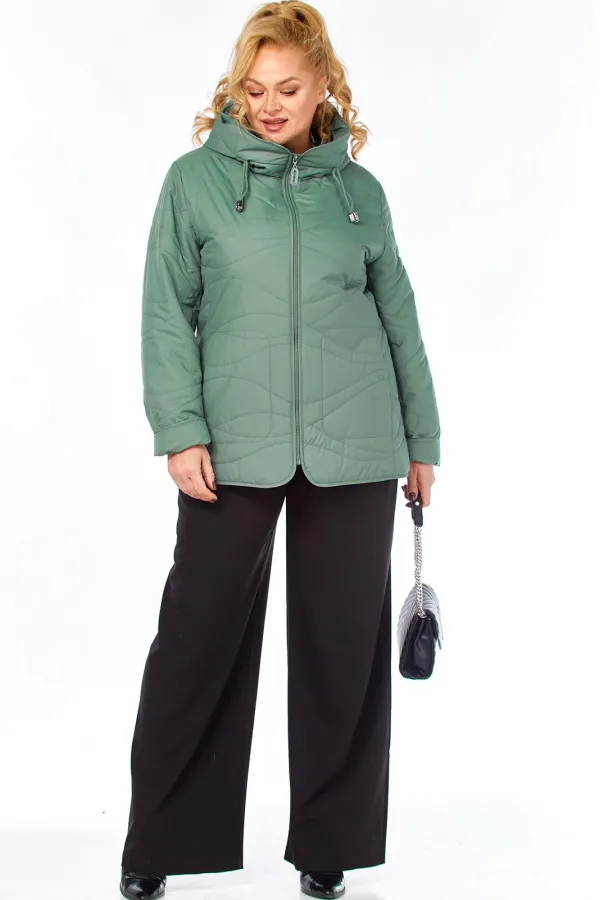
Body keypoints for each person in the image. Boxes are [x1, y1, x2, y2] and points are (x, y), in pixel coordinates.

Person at [119, 2, 441, 898]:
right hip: (232, 446)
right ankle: (159, 841)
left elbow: (401, 322)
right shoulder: (194, 183)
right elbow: (164, 313)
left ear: (323, 85)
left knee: (344, 651)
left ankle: (328, 846)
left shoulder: (359, 193)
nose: (268, 105)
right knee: (197, 641)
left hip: (360, 442)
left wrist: (422, 439)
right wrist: (180, 429)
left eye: (288, 89)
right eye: (254, 88)